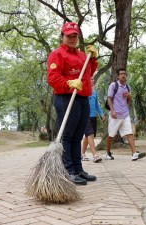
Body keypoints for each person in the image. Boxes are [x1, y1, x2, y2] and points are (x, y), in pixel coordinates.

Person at [47, 21, 98, 185]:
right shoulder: (57, 54)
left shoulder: (82, 55)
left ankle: (78, 169)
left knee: (78, 136)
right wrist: (69, 83)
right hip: (66, 98)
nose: (72, 38)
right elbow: (53, 78)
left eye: (74, 35)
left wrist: (93, 59)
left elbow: (88, 72)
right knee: (68, 136)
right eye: (68, 35)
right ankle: (68, 170)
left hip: (83, 98)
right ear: (62, 36)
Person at [105, 68, 146, 161]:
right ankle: (107, 152)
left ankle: (134, 153)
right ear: (118, 76)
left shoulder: (127, 87)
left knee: (129, 133)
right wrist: (112, 111)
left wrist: (129, 97)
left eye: (124, 74)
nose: (123, 75)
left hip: (125, 114)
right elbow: (109, 99)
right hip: (115, 115)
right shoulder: (113, 85)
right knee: (111, 135)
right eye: (121, 74)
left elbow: (128, 101)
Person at [81, 77, 105, 163]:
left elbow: (96, 105)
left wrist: (101, 114)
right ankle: (95, 155)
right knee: (90, 134)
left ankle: (82, 154)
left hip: (93, 117)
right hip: (85, 117)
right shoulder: (83, 91)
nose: (93, 80)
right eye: (90, 79)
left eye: (93, 79)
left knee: (88, 136)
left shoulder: (94, 92)